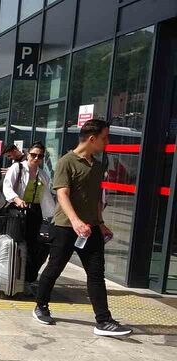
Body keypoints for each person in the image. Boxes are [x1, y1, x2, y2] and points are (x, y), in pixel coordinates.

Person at [33, 119, 131, 336]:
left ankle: (103, 321)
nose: (107, 142)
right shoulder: (66, 162)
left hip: (91, 228)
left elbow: (95, 198)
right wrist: (76, 221)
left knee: (96, 273)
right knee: (54, 268)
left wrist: (101, 223)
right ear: (92, 138)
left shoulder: (97, 166)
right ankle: (40, 305)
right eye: (105, 138)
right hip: (66, 226)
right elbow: (62, 194)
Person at [2, 142, 56, 295]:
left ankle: (28, 279)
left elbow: (46, 196)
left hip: (35, 212)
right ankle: (14, 279)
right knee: (18, 245)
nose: (36, 158)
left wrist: (52, 215)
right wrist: (16, 199)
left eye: (40, 156)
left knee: (35, 247)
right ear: (28, 154)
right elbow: (7, 186)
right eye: (33, 155)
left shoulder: (42, 175)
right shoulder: (18, 168)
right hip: (18, 212)